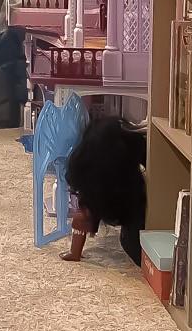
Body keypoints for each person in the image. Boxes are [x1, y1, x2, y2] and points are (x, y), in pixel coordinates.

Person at [61, 113, 147, 265]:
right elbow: (83, 216)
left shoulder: (133, 156)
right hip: (117, 181)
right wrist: (75, 252)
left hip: (131, 193)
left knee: (132, 244)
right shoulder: (85, 169)